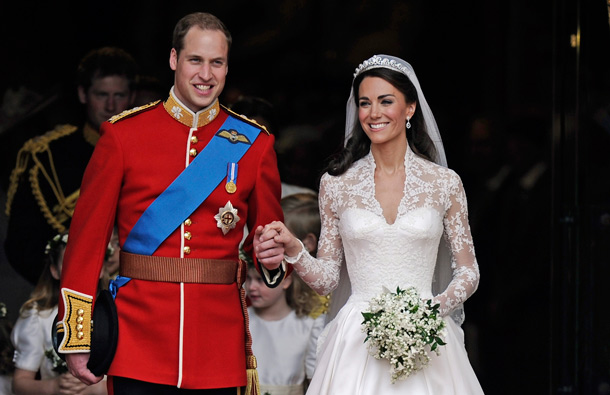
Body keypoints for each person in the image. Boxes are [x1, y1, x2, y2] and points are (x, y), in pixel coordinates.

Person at [55, 12, 285, 394]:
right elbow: (86, 242)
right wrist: (77, 336)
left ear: (228, 67)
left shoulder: (254, 145)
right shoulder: (122, 135)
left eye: (217, 63)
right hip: (137, 341)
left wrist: (273, 258)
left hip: (217, 345)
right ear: (174, 59)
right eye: (196, 60)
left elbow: (266, 244)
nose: (206, 74)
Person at [256, 54, 483, 394]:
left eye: (385, 101)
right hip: (356, 339)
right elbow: (328, 279)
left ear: (409, 109)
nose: (373, 113)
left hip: (427, 334)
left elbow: (469, 272)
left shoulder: (445, 183)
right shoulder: (336, 184)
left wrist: (426, 314)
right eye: (365, 103)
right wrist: (294, 249)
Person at [4, 46, 138, 285]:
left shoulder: (150, 153)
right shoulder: (48, 157)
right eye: (101, 95)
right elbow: (21, 243)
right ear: (83, 94)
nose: (110, 106)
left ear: (131, 98)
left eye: (118, 96)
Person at [10, 233, 107, 395]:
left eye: (87, 261)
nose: (80, 269)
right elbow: (19, 383)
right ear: (55, 271)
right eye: (70, 262)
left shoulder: (117, 313)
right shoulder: (39, 316)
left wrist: (99, 389)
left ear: (102, 268)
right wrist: (53, 387)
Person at [245, 261, 324, 395]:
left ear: (285, 281)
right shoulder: (242, 320)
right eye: (248, 279)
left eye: (260, 280)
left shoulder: (308, 326)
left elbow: (314, 381)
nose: (252, 287)